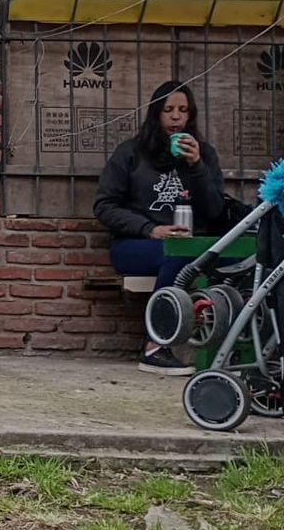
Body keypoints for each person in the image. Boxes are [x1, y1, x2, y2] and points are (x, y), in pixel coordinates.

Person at [94, 80, 226, 375]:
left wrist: (197, 166)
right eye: (168, 110)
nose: (176, 117)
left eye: (183, 111)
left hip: (191, 246)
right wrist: (150, 229)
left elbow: (215, 212)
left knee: (228, 258)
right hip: (135, 245)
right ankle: (156, 345)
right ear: (156, 114)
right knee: (175, 256)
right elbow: (104, 206)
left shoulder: (203, 154)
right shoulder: (130, 153)